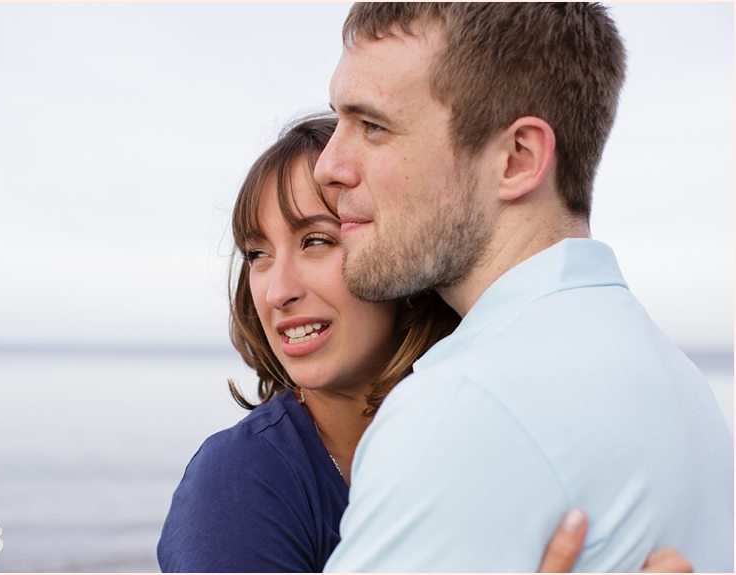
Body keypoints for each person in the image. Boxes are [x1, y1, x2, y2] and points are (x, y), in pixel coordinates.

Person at [156, 115, 693, 573]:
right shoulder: (240, 480)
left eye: (317, 241)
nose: (277, 291)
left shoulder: (482, 430)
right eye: (257, 255)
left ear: (393, 256)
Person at [311, 3, 733, 572]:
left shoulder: (462, 410)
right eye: (338, 120)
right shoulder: (680, 385)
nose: (328, 166)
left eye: (373, 126)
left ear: (516, 159)